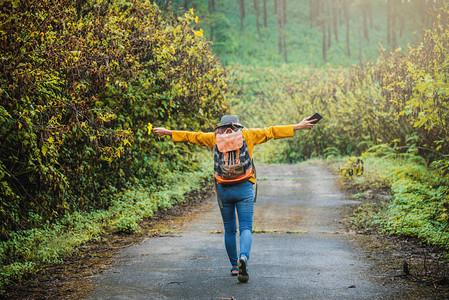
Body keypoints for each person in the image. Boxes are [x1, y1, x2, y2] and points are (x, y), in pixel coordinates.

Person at [153, 115, 317, 282]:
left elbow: (192, 136)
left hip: (224, 190)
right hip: (244, 187)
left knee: (230, 230)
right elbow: (272, 131)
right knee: (245, 227)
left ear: (221, 126)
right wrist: (298, 126)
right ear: (238, 125)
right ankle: (243, 258)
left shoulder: (214, 138)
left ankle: (234, 266)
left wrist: (168, 132)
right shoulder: (248, 135)